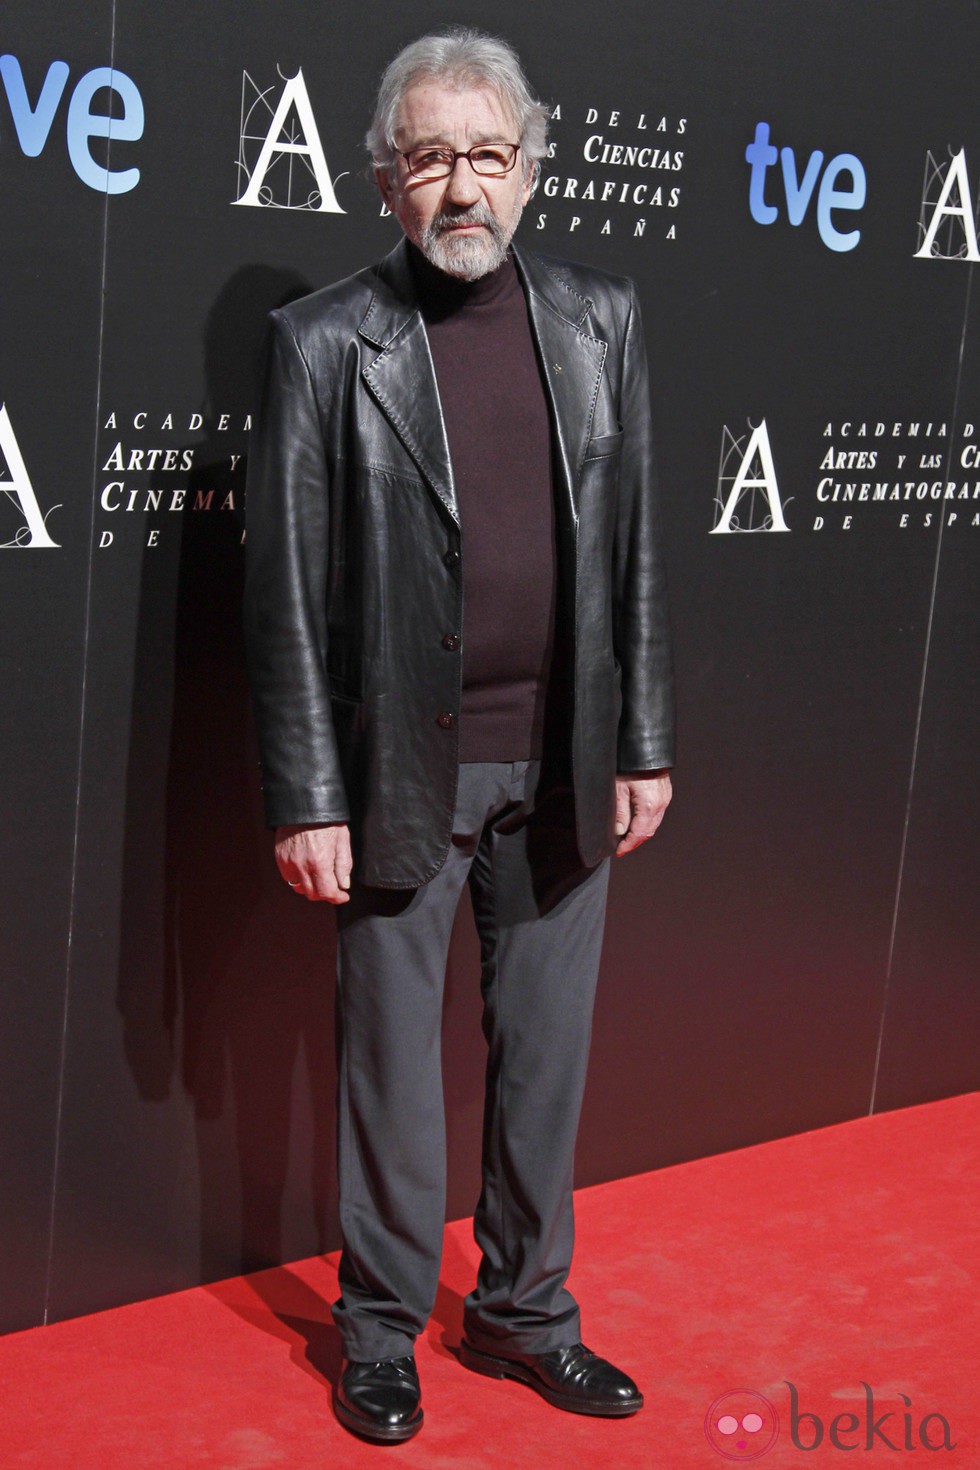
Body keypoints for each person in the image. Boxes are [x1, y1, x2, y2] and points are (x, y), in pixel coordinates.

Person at [244, 26, 674, 1445]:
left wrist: (643, 739)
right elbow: (285, 592)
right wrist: (309, 789)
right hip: (391, 771)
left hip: (564, 754)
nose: (463, 186)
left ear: (532, 170)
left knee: (544, 1063)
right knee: (390, 1068)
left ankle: (524, 1311)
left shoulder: (603, 317)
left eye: (489, 155)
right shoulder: (320, 343)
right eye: (432, 158)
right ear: (384, 180)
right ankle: (379, 1329)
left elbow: (633, 553)